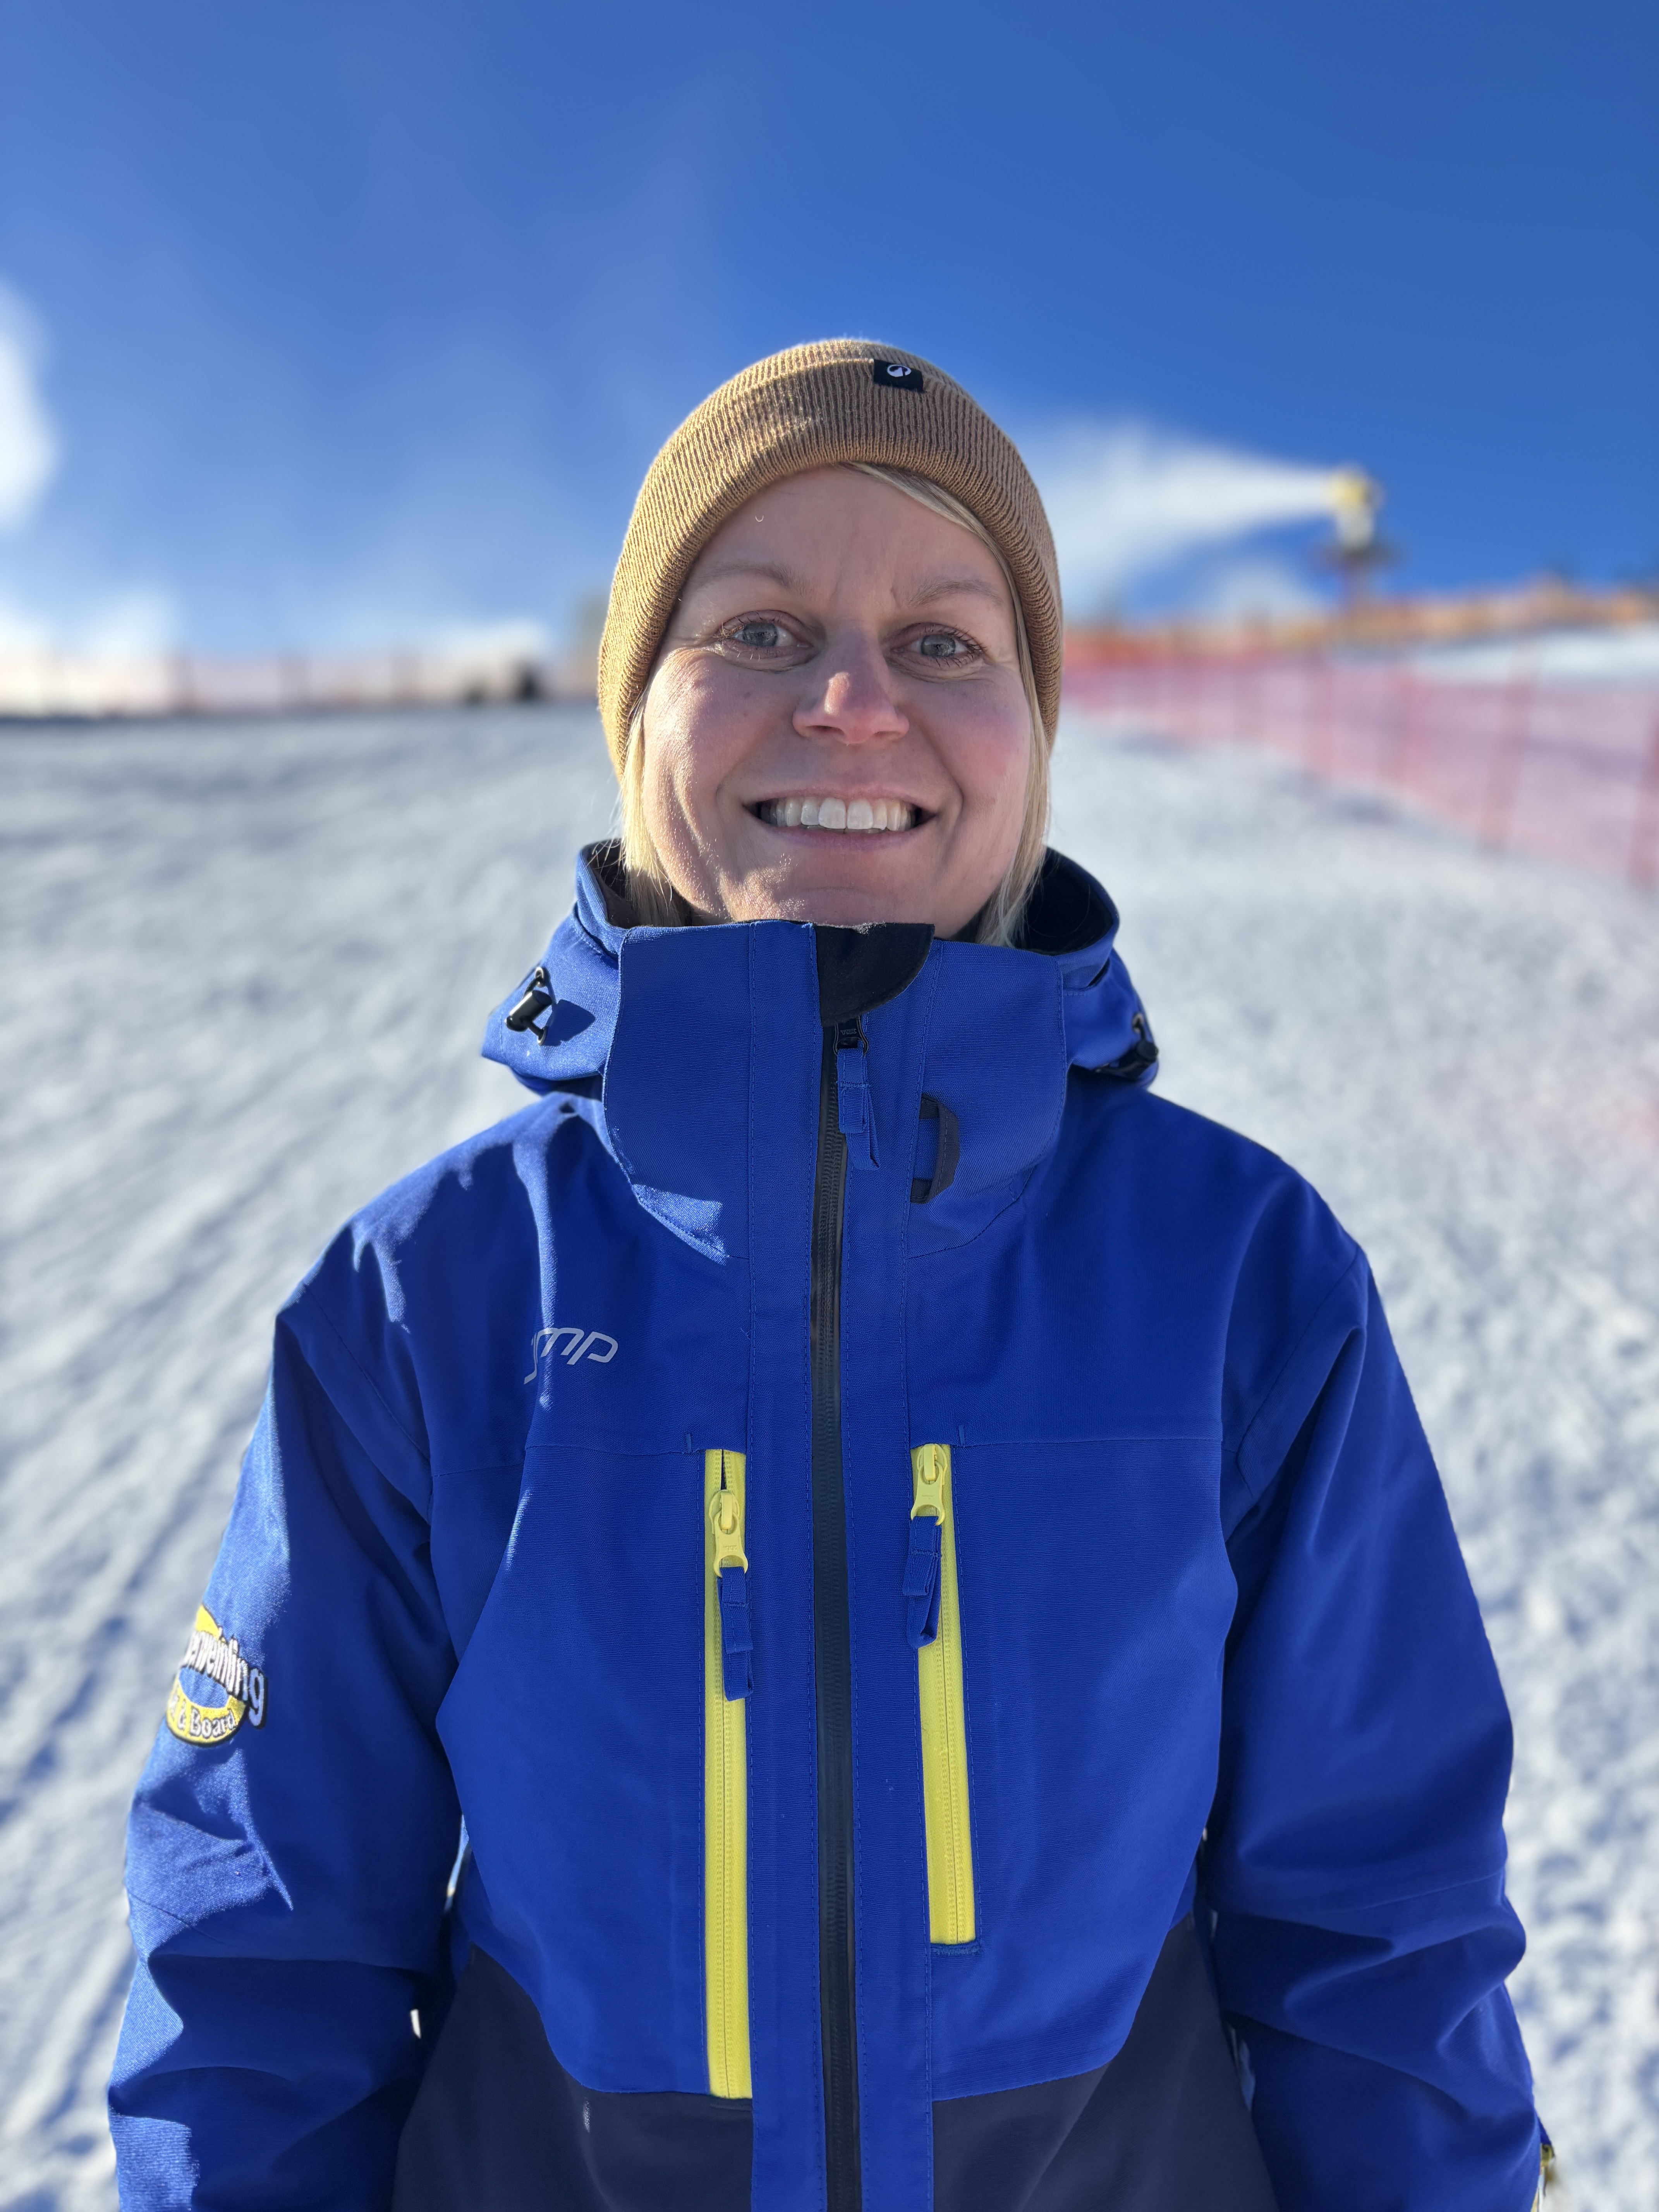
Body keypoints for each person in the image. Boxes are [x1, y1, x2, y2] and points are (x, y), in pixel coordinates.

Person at [109, 340, 1546, 2212]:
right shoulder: (430, 1300)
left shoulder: (1239, 1277)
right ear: (641, 713)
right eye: (762, 632)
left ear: (1032, 735)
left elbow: (1383, 1929)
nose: (856, 703)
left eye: (946, 642)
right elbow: (259, 1961)